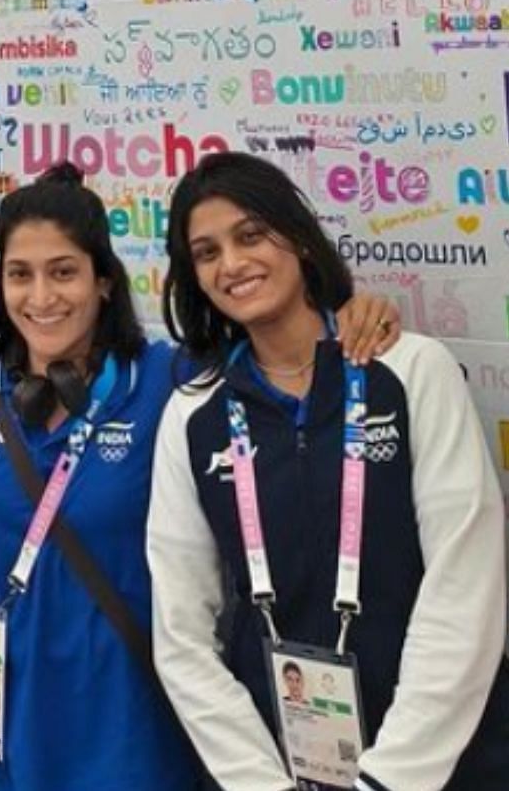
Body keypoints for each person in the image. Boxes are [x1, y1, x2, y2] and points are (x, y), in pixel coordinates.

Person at [0, 162, 403, 791]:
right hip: (7, 747)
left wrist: (362, 313)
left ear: (105, 283)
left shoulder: (174, 384)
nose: (41, 298)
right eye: (20, 275)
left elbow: (285, 350)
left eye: (64, 272)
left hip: (142, 741)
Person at [150, 151, 509, 791]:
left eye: (251, 235)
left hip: (439, 764)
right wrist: (259, 782)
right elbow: (180, 631)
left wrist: (392, 777)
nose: (232, 264)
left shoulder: (411, 370)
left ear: (300, 239)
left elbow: (467, 585)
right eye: (207, 253)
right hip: (272, 764)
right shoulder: (193, 414)